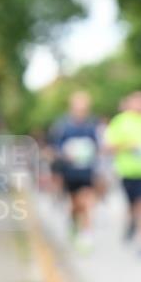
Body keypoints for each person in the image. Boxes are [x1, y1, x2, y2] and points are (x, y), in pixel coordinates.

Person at [104, 91, 141, 256]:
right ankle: (132, 223)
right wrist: (127, 146)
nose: (140, 105)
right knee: (133, 206)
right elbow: (109, 146)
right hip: (127, 172)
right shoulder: (120, 120)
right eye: (137, 102)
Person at [49, 91, 100, 252]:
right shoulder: (63, 125)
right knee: (75, 204)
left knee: (86, 202)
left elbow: (97, 145)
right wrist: (66, 154)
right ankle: (72, 220)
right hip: (70, 172)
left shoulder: (91, 125)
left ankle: (86, 235)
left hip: (86, 171)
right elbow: (55, 148)